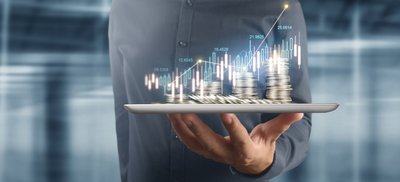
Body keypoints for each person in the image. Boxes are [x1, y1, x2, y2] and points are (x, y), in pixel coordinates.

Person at [108, 0, 311, 181]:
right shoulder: (125, 6)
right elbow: (124, 115)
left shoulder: (279, 6)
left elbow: (296, 119)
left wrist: (261, 161)